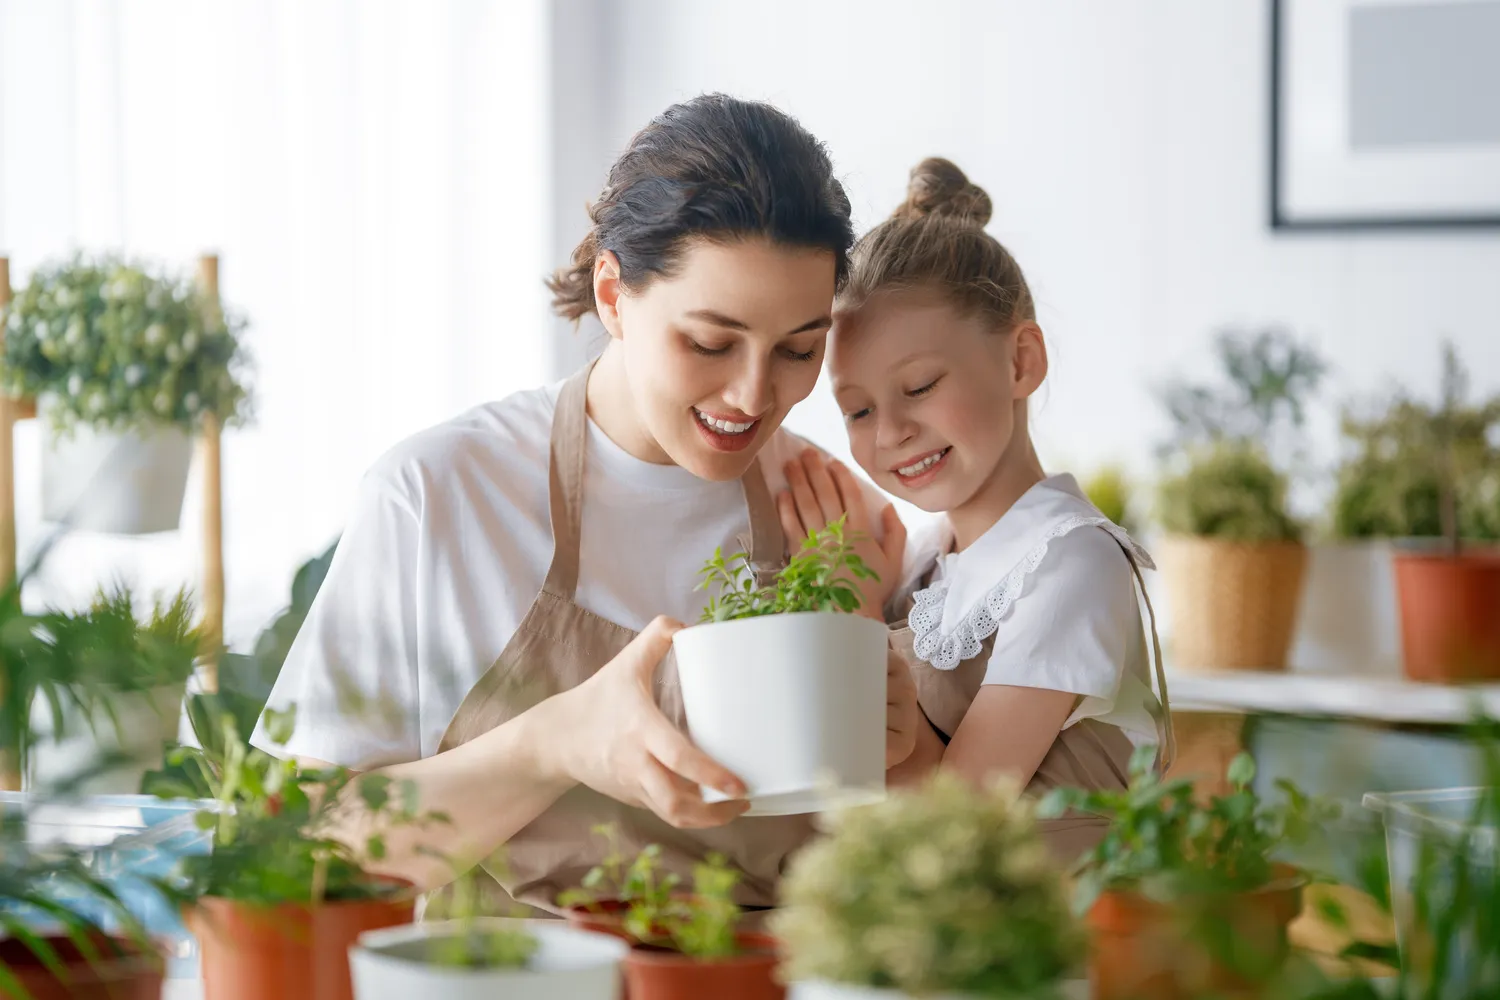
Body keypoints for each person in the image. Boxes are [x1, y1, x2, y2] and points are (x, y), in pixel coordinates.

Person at [250, 95, 920, 908]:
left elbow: (896, 877)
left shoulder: (833, 518)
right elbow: (289, 848)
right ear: (612, 295)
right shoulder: (440, 495)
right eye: (710, 342)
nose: (752, 394)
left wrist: (893, 747)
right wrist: (550, 744)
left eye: (798, 349)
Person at [777, 158, 1174, 860]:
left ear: (1020, 362)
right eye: (858, 409)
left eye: (921, 386)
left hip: (1064, 944)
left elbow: (960, 823)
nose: (891, 431)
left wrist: (857, 624)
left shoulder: (1071, 564)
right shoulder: (925, 564)